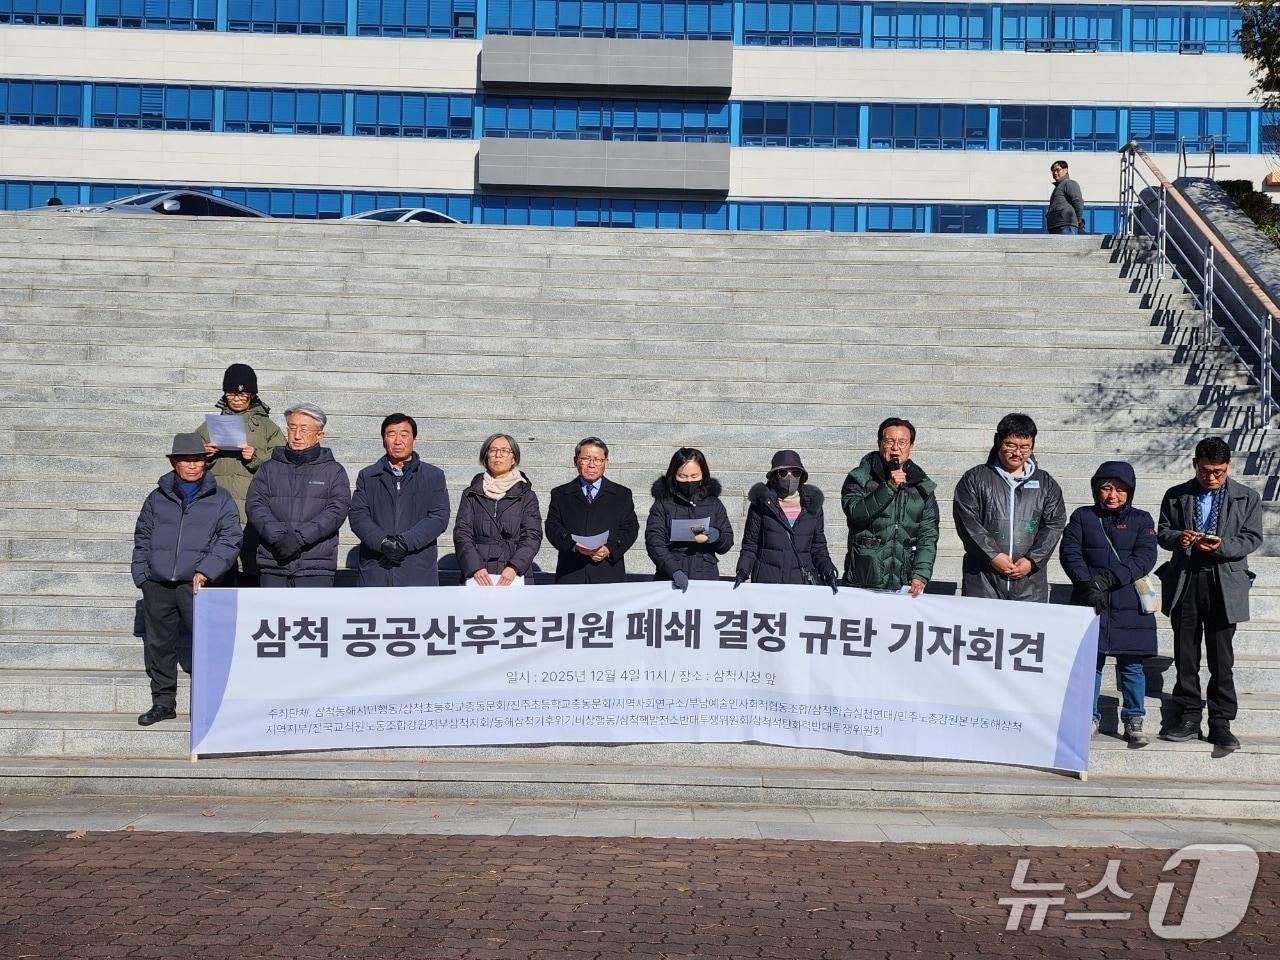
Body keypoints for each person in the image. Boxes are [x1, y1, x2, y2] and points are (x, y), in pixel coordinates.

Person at [1155, 437, 1263, 752]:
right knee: (1185, 653)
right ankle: (1188, 715)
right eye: (1205, 471)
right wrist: (1181, 538)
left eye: (1218, 471)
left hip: (1224, 582)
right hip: (1186, 579)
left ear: (1228, 467)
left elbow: (1252, 538)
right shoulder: (1176, 495)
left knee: (1221, 657)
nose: (1212, 477)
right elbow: (1163, 532)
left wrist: (1223, 546)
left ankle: (1221, 721)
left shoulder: (1247, 497)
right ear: (1195, 465)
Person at [130, 433, 241, 726]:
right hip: (157, 583)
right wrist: (142, 575)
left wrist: (206, 570)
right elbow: (142, 536)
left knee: (206, 645)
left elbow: (230, 538)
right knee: (159, 645)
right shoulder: (157, 498)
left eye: (198, 460)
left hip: (198, 585)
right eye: (185, 460)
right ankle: (163, 702)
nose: (193, 466)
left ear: (206, 462)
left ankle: (207, 704)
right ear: (173, 462)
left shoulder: (221, 498)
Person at [1059, 461, 1158, 746]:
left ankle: (1134, 718)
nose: (1112, 495)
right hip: (1091, 601)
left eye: (1120, 489)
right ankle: (1087, 716)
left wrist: (1107, 579)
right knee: (1091, 664)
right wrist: (1088, 584)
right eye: (1106, 488)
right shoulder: (1082, 516)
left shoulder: (1142, 520)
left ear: (1130, 492)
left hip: (1130, 603)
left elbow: (1144, 558)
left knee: (1132, 666)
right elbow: (1070, 552)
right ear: (1096, 489)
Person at [953, 413, 1067, 602]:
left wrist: (1032, 560)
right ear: (999, 442)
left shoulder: (1046, 483)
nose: (1017, 453)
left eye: (1025, 447)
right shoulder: (975, 478)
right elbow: (967, 521)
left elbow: (1054, 524)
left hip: (1029, 582)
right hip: (983, 579)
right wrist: (993, 555)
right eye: (1011, 445)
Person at [195, 362, 285, 585]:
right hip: (217, 505)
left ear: (252, 395)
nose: (236, 399)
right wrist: (204, 454)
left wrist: (256, 456)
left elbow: (283, 461)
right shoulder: (208, 427)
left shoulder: (267, 427)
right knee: (219, 569)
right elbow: (186, 462)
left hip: (254, 506)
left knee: (251, 569)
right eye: (231, 394)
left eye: (242, 394)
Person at [245, 403, 350, 588]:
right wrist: (278, 538)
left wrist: (300, 538)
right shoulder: (269, 468)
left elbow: (336, 511)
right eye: (292, 428)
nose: (297, 435)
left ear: (320, 435)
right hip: (273, 563)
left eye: (304, 429)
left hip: (315, 566)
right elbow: (255, 505)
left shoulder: (334, 471)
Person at [348, 414, 451, 587]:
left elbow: (438, 517)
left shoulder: (433, 476)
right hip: (377, 568)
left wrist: (404, 543)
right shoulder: (368, 476)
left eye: (404, 434)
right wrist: (383, 543)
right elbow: (358, 516)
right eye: (391, 434)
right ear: (383, 440)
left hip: (416, 569)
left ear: (414, 439)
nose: (398, 441)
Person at [840, 417, 938, 596]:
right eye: (890, 441)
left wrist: (920, 574)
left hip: (903, 581)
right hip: (864, 580)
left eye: (902, 442)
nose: (895, 448)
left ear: (911, 447)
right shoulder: (859, 478)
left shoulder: (921, 486)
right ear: (879, 443)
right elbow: (856, 513)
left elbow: (928, 535)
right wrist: (889, 487)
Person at [736, 450, 839, 590]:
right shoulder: (760, 505)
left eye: (795, 472)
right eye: (783, 473)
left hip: (801, 584)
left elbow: (818, 547)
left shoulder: (812, 506)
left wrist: (828, 570)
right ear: (773, 476)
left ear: (801, 476)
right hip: (767, 582)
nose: (789, 477)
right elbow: (750, 545)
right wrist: (743, 570)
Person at [544, 437, 639, 584]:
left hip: (608, 571)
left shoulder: (622, 494)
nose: (592, 464)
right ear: (576, 461)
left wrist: (610, 549)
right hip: (571, 570)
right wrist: (573, 546)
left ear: (606, 462)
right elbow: (552, 527)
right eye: (586, 459)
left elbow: (630, 528)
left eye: (597, 459)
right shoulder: (560, 494)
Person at [454, 433, 542, 586]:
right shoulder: (471, 493)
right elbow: (462, 532)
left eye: (504, 451)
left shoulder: (526, 496)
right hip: (479, 574)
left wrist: (514, 566)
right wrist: (475, 567)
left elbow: (532, 535)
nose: (498, 455)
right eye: (493, 450)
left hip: (514, 574)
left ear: (513, 458)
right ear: (486, 456)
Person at [645, 447, 735, 589]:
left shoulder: (713, 503)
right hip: (670, 575)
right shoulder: (663, 503)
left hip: (706, 574)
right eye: (683, 476)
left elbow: (727, 541)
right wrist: (674, 570)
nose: (688, 481)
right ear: (673, 475)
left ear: (703, 475)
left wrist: (717, 536)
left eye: (694, 476)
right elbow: (654, 542)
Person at [1047, 160, 1085, 235]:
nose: (1055, 173)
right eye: (1053, 171)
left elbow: (1078, 202)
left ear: (1066, 170)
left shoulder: (1068, 183)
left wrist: (1078, 220)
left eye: (1058, 170)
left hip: (1066, 226)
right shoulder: (1058, 187)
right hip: (1054, 226)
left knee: (1066, 246)